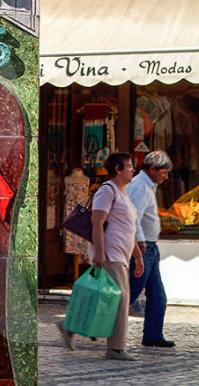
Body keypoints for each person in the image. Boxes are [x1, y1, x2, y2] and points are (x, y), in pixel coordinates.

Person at [58, 153, 144, 360]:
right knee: (121, 299)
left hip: (122, 254)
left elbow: (127, 228)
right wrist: (100, 253)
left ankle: (69, 326)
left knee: (107, 300)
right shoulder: (106, 191)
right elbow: (97, 222)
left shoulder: (123, 194)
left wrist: (138, 256)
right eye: (130, 166)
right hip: (111, 253)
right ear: (118, 169)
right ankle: (116, 348)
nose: (133, 170)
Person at [126, 150, 175, 349]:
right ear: (152, 169)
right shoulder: (140, 187)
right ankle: (91, 326)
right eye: (164, 171)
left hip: (150, 247)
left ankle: (153, 335)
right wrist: (139, 243)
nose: (166, 176)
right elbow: (132, 217)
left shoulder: (148, 186)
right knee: (130, 293)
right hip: (143, 247)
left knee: (158, 295)